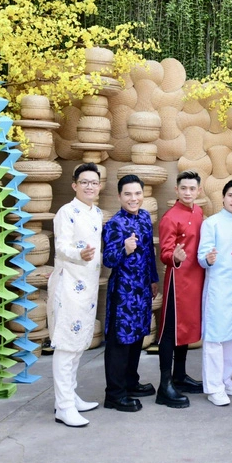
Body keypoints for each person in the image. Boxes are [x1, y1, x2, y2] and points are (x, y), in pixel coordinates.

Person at [48, 164, 104, 427]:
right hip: (69, 284)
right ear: (74, 185)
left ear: (100, 186)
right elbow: (60, 246)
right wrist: (78, 255)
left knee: (80, 341)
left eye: (94, 182)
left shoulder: (97, 213)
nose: (90, 186)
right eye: (85, 182)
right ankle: (64, 406)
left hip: (89, 286)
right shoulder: (66, 212)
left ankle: (70, 395)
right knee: (66, 344)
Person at [101, 174, 159, 412]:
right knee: (119, 342)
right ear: (119, 196)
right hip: (123, 292)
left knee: (136, 338)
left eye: (137, 193)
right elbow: (108, 260)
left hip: (142, 290)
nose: (133, 198)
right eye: (128, 194)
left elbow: (149, 253)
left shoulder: (145, 217)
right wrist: (124, 249)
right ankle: (114, 394)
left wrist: (154, 279)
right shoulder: (114, 224)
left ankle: (130, 382)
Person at [198, 178, 232, 407]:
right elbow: (202, 255)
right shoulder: (212, 223)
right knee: (215, 337)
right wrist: (207, 259)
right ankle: (213, 387)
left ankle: (226, 379)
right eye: (231, 195)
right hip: (218, 286)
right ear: (223, 197)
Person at [155, 170, 205, 409]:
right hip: (178, 280)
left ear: (198, 191)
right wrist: (173, 256)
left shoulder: (199, 212)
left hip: (195, 279)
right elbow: (164, 253)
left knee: (184, 329)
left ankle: (180, 376)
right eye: (183, 188)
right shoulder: (170, 217)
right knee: (169, 331)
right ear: (176, 190)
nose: (187, 192)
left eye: (192, 189)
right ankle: (164, 385)